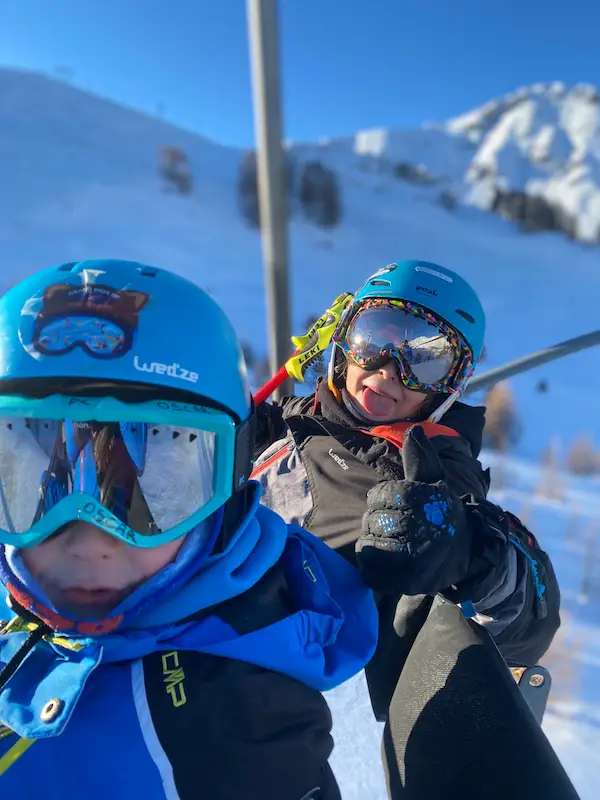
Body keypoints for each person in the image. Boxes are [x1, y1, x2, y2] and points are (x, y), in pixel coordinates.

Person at [0, 259, 379, 800]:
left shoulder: (236, 738)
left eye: (153, 495)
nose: (87, 541)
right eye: (32, 485)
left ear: (222, 490)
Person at [252, 260, 560, 721]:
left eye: (424, 360)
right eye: (374, 339)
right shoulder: (280, 423)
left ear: (448, 389)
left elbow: (531, 617)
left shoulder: (432, 478)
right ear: (343, 336)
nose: (388, 370)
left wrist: (470, 551)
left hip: (313, 711)